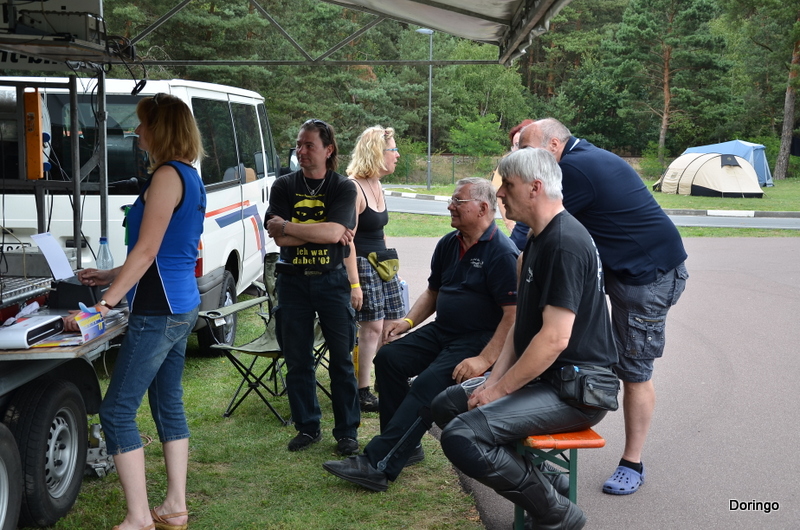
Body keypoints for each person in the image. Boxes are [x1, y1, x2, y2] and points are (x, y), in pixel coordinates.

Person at [431, 147, 618, 530]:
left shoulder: (564, 244)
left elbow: (553, 340)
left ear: (535, 188)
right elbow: (522, 327)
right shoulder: (537, 239)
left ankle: (556, 514)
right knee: (447, 404)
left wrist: (497, 392)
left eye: (508, 186)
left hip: (577, 391)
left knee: (462, 436)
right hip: (546, 379)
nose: (499, 194)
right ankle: (549, 483)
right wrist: (493, 381)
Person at [520, 118, 689, 495]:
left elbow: (535, 220)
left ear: (553, 146)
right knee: (572, 341)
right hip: (620, 270)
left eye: (527, 150)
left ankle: (633, 463)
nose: (523, 159)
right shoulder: (577, 158)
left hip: (647, 277)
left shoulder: (576, 169)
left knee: (634, 369)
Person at [322, 177, 518, 492]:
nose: (450, 206)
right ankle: (406, 446)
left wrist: (484, 360)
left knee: (427, 385)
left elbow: (513, 315)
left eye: (458, 201)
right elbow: (433, 292)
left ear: (483, 208)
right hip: (443, 331)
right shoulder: (449, 243)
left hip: (478, 340)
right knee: (389, 358)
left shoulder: (502, 252)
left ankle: (378, 465)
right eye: (451, 200)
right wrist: (408, 322)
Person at [66, 93, 206, 530]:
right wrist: (110, 275)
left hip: (159, 309)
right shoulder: (190, 174)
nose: (137, 130)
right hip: (181, 304)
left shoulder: (166, 175)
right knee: (167, 403)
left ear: (161, 129)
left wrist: (103, 304)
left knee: (116, 412)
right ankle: (174, 507)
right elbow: (165, 250)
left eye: (144, 124)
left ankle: (139, 518)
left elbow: (147, 252)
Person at [265, 119, 360, 456]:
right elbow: (277, 236)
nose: (301, 151)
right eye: (298, 144)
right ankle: (307, 427)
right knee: (298, 360)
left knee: (342, 361)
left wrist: (290, 226)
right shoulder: (283, 186)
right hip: (292, 281)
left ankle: (347, 432)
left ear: (328, 150)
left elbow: (334, 233)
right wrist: (324, 231)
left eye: (309, 145)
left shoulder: (343, 187)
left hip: (332, 281)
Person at [343, 125, 405, 413]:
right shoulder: (353, 187)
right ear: (377, 153)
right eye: (393, 149)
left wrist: (391, 268)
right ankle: (362, 391)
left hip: (383, 263)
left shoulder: (378, 185)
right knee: (372, 327)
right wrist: (354, 284)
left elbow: (379, 231)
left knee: (393, 323)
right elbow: (347, 240)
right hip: (362, 264)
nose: (397, 155)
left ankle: (386, 379)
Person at [491, 119, 533, 250]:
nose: (517, 150)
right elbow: (498, 193)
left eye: (521, 145)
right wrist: (509, 223)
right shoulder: (507, 163)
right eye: (515, 145)